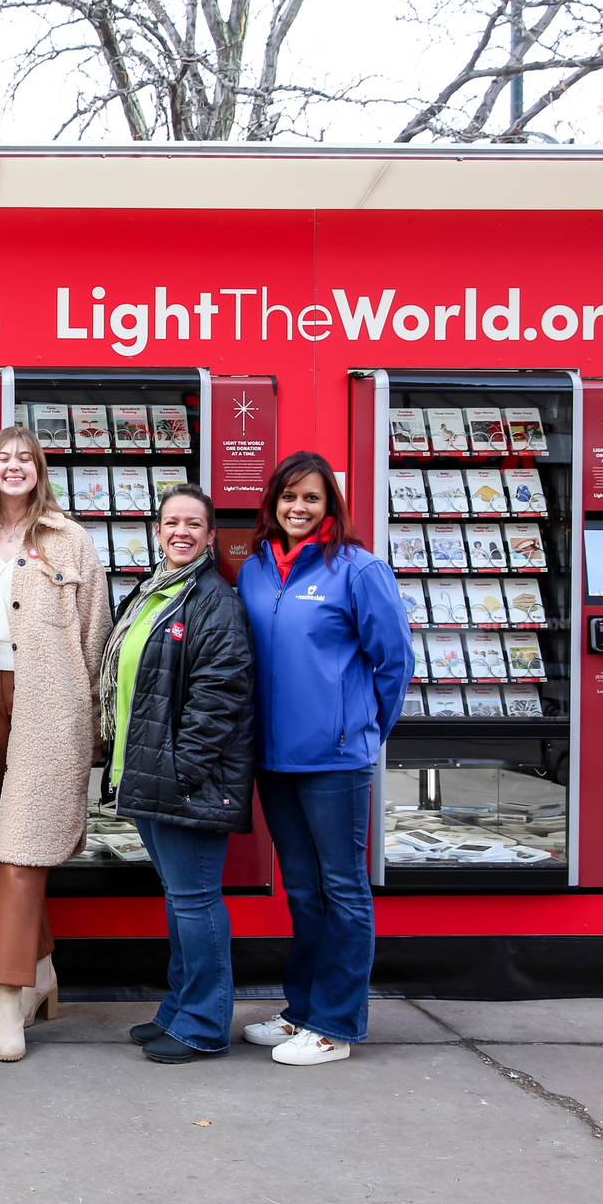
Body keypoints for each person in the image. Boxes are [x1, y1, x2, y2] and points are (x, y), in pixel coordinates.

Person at [0, 425, 110, 1062]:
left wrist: (89, 719)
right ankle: (42, 973)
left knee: (22, 847)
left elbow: (95, 633)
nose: (13, 467)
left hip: (49, 702)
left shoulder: (71, 540)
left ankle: (9, 1001)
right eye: (2, 458)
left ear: (40, 469)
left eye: (24, 458)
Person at [235, 452, 412, 1066]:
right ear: (273, 504)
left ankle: (337, 1024)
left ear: (330, 504)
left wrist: (362, 730)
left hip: (336, 760)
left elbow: (394, 663)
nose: (298, 509)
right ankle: (301, 1012)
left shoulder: (358, 571)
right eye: (288, 498)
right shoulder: (255, 571)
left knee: (343, 890)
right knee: (304, 892)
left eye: (311, 498)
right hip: (274, 760)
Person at [105, 485, 257, 1064]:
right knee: (178, 898)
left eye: (194, 524)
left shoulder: (213, 600)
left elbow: (218, 697)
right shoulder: (155, 593)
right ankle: (178, 1009)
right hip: (151, 774)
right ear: (158, 529)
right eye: (171, 522)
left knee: (195, 900)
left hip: (184, 779)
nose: (181, 532)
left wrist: (182, 770)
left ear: (211, 535)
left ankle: (204, 1024)